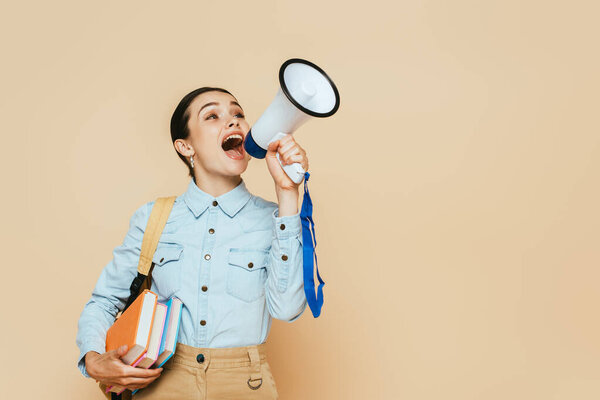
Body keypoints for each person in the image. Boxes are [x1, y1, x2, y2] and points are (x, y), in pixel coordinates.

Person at [76, 87, 309, 399]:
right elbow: (104, 301)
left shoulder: (277, 219)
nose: (234, 122)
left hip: (246, 384)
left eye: (238, 114)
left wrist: (288, 195)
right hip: (163, 381)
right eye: (213, 116)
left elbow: (288, 309)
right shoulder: (154, 218)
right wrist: (93, 358)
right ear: (185, 146)